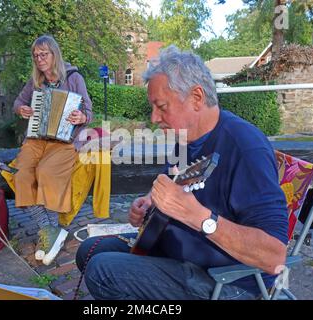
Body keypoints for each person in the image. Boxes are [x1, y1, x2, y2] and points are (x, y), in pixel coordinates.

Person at [75, 45, 288, 300]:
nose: (154, 117)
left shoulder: (245, 148)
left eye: (161, 106)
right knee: (87, 251)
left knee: (102, 271)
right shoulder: (185, 138)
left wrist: (198, 216)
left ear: (196, 98)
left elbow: (274, 255)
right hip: (180, 247)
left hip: (226, 280)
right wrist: (150, 202)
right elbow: (178, 184)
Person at [13, 35, 93, 266]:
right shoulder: (35, 82)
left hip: (64, 141)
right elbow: (17, 103)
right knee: (22, 175)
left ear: (54, 54)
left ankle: (50, 232)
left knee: (47, 172)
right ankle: (49, 230)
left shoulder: (74, 77)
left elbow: (89, 112)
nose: (39, 59)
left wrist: (82, 116)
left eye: (43, 54)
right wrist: (23, 110)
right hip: (36, 139)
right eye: (36, 55)